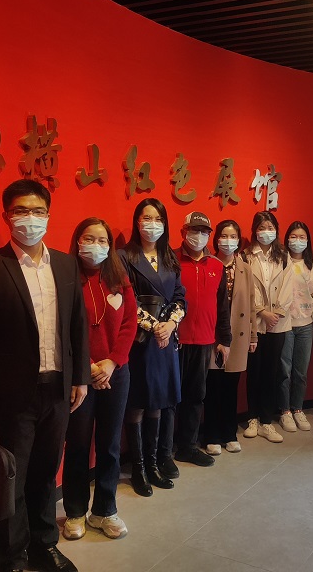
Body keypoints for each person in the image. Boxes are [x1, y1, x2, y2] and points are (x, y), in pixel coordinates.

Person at [0, 179, 90, 572]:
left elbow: (77, 326)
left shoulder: (66, 264)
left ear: (48, 216)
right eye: (21, 211)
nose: (29, 219)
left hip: (58, 389)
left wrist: (80, 377)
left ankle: (44, 545)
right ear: (6, 216)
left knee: (45, 473)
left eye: (37, 211)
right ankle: (11, 557)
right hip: (13, 395)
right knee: (12, 480)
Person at [62, 218, 137, 541]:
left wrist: (112, 362)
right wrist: (89, 367)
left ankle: (105, 510)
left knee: (109, 445)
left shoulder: (119, 278)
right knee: (78, 445)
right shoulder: (66, 278)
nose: (96, 245)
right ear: (77, 241)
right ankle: (75, 511)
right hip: (80, 377)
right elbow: (63, 328)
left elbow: (130, 322)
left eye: (102, 240)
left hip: (116, 374)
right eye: (89, 238)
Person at [119, 198, 185, 497]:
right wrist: (155, 326)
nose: (152, 224)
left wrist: (170, 324)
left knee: (157, 401)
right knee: (137, 402)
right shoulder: (124, 257)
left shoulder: (169, 256)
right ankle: (139, 468)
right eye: (146, 218)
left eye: (158, 219)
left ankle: (154, 463)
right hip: (139, 341)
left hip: (165, 339)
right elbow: (125, 299)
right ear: (137, 221)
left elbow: (180, 296)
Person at [173, 212, 232, 465]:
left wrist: (225, 340)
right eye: (194, 230)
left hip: (205, 341)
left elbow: (222, 307)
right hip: (174, 341)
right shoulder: (170, 261)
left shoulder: (217, 266)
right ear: (184, 232)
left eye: (204, 232)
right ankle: (164, 450)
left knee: (196, 397)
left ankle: (188, 446)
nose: (199, 236)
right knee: (170, 398)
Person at [204, 220, 257, 454]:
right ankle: (211, 434)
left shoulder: (245, 268)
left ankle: (229, 433)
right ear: (216, 239)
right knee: (212, 387)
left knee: (231, 387)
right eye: (224, 236)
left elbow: (252, 305)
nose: (228, 241)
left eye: (233, 236)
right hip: (213, 334)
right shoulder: (208, 264)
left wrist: (253, 336)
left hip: (238, 336)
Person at [278, 221, 313, 432]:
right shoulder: (281, 261)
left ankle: (298, 408)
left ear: (308, 240)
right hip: (285, 324)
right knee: (285, 370)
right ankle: (285, 411)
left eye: (302, 237)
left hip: (306, 325)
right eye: (294, 236)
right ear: (287, 239)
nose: (297, 241)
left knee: (301, 371)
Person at [244, 211, 293, 443]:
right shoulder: (245, 256)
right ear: (255, 230)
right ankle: (252, 418)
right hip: (254, 323)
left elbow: (288, 287)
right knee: (253, 371)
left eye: (270, 227)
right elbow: (246, 289)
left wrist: (276, 313)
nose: (266, 232)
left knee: (272, 372)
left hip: (277, 323)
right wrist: (261, 311)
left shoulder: (284, 256)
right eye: (262, 227)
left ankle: (266, 421)